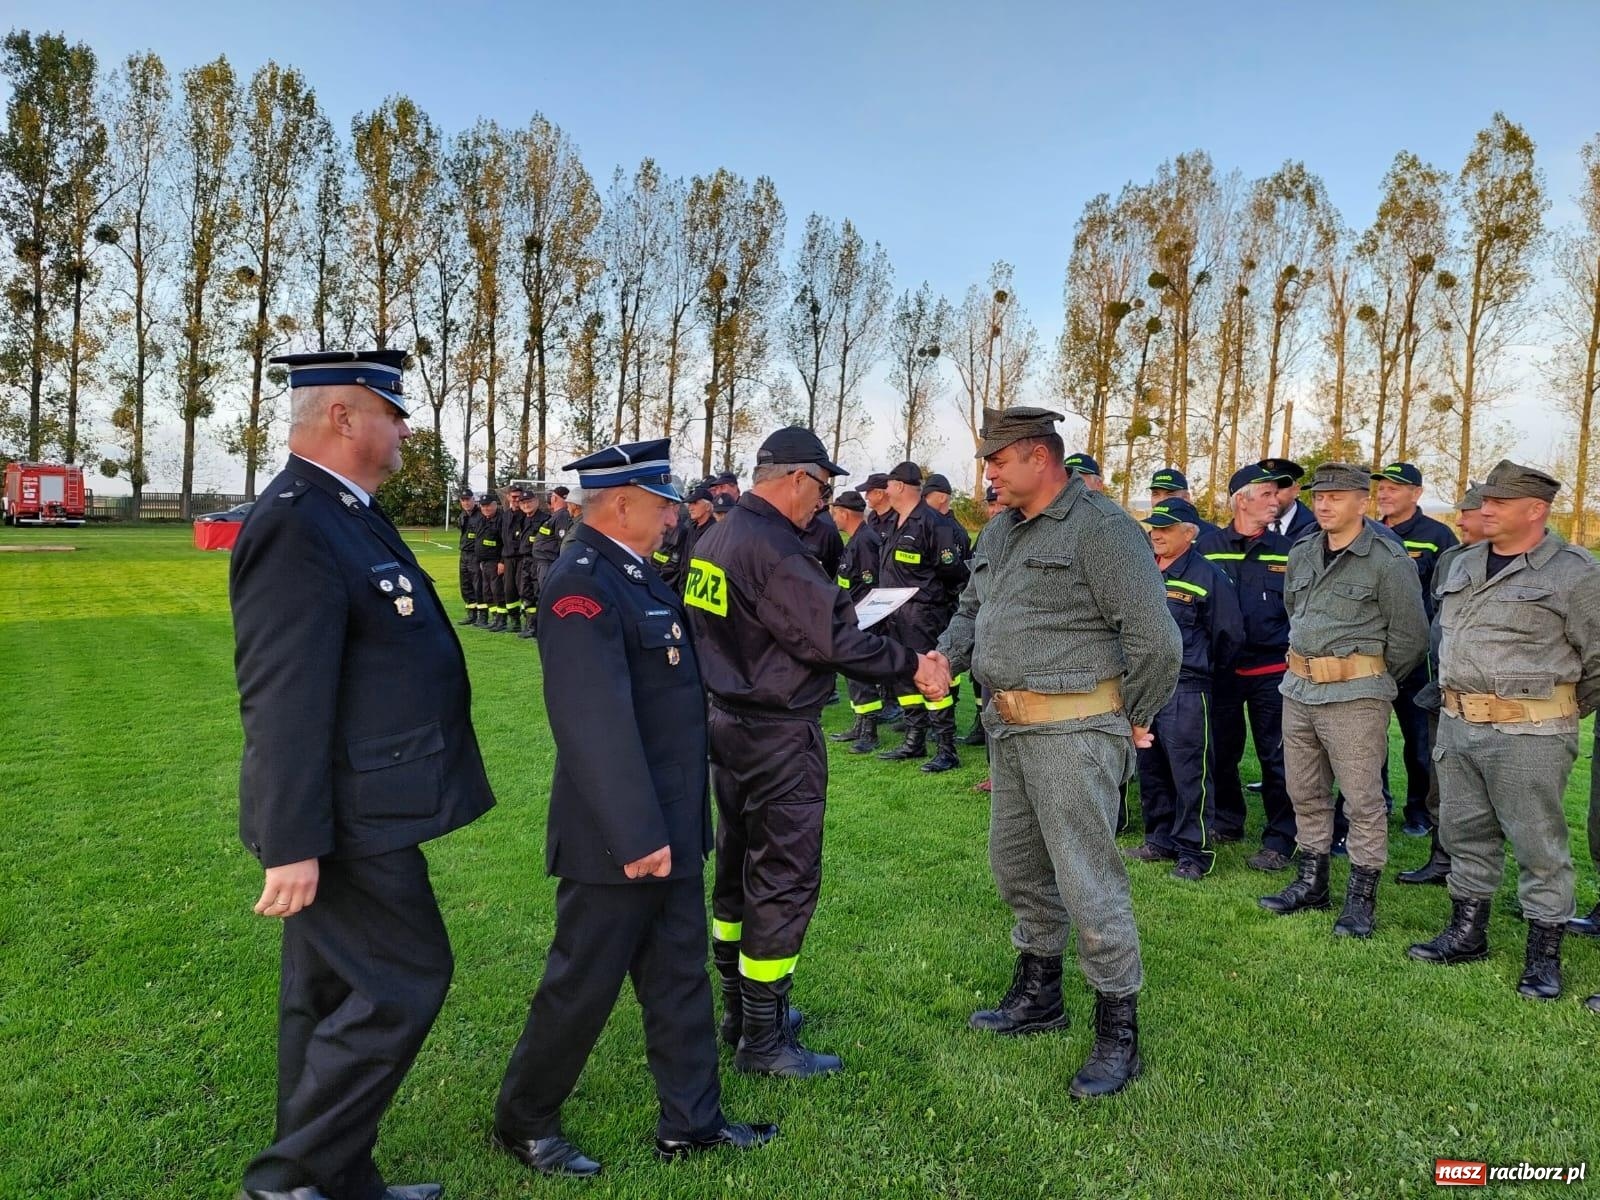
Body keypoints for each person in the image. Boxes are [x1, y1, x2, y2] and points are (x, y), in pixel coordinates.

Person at [232, 349, 496, 1200]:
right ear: (344, 416)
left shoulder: (348, 510)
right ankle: (284, 1182)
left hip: (365, 804)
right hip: (343, 818)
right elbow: (283, 698)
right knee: (404, 979)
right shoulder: (298, 522)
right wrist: (293, 842)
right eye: (391, 411)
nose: (405, 428)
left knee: (326, 993)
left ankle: (334, 1182)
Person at [493, 438, 776, 1176]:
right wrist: (638, 833)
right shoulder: (581, 584)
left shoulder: (634, 574)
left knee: (679, 977)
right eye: (662, 505)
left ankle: (693, 1123)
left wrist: (673, 829)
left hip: (670, 822)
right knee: (581, 985)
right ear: (621, 504)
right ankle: (523, 1120)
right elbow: (593, 723)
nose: (674, 518)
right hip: (618, 835)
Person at [933, 406, 1180, 1100]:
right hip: (1009, 730)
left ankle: (1117, 1030)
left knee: (1088, 879)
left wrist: (1135, 717)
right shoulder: (1003, 530)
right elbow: (974, 610)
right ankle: (1039, 995)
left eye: (998, 461)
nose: (988, 473)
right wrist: (946, 659)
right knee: (1016, 866)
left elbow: (1156, 640)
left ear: (1039, 457)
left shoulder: (1102, 530)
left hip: (1075, 732)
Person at [686, 427, 939, 1078]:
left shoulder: (716, 535)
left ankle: (741, 1012)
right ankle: (764, 1042)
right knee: (784, 878)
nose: (823, 506)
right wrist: (913, 664)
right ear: (796, 478)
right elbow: (834, 639)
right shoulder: (773, 550)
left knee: (739, 868)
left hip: (728, 723)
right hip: (777, 733)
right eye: (823, 491)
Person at [1407, 461, 1600, 1003]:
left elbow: (1598, 659)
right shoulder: (1460, 562)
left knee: (1538, 844)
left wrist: (1551, 709)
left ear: (1535, 510)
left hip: (1530, 735)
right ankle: (1467, 932)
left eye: (1496, 502)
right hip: (1457, 723)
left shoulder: (1575, 573)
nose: (1482, 510)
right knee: (1464, 833)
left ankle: (1544, 956)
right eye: (1482, 501)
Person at [1258, 464, 1428, 937]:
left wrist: (1366, 678)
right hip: (1299, 689)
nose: (1325, 504)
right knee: (1305, 792)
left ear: (1362, 502)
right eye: (1320, 496)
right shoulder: (1304, 550)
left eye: (1338, 496)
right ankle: (1312, 883)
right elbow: (1297, 610)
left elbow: (1411, 639)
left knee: (1362, 802)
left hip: (1355, 697)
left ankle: (1360, 901)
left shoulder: (1388, 561)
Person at [1126, 498, 1242, 879]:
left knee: (1190, 772)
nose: (1155, 534)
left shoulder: (1208, 576)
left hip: (1188, 689)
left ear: (1189, 534)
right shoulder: (1143, 572)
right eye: (1153, 527)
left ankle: (1195, 851)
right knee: (1152, 767)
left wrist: (1202, 673)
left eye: (1165, 528)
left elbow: (1228, 637)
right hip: (1145, 688)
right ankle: (1159, 839)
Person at [1197, 466, 1297, 870]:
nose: (1277, 501)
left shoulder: (1289, 550)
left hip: (1272, 671)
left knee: (1277, 757)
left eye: (1277, 495)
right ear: (1242, 499)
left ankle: (1280, 836)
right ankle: (1227, 820)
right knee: (1221, 752)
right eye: (1268, 494)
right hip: (1221, 672)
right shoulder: (1206, 546)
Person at [1398, 484, 1486, 885]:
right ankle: (1441, 858)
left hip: (1497, 698)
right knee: (1441, 778)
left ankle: (1519, 883)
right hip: (1443, 687)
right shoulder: (1451, 559)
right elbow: (1433, 614)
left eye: (1467, 512)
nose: (1460, 520)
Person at [1372, 461, 1459, 836]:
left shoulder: (1437, 537)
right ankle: (1378, 800)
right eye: (1381, 487)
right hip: (1372, 652)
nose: (1384, 493)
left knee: (1419, 740)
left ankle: (1419, 810)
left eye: (1394, 487)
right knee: (1368, 737)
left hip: (1417, 656)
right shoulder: (1367, 533)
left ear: (1416, 493)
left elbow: (1448, 598)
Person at [876, 461, 971, 772]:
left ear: (901, 485)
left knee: (931, 676)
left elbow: (952, 571)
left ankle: (946, 747)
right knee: (903, 674)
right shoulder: (892, 521)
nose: (884, 490)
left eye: (888, 484)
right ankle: (914, 739)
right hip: (893, 614)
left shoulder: (933, 522)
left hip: (923, 615)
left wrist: (935, 602)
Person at [827, 489, 888, 753]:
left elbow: (869, 584)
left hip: (863, 618)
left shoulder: (864, 541)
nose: (833, 518)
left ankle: (870, 733)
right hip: (851, 616)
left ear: (844, 513)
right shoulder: (855, 540)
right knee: (852, 674)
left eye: (835, 513)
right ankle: (859, 725)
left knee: (861, 673)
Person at [524, 486, 572, 635]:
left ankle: (550, 629)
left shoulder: (562, 516)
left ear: (555, 498)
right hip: (541, 562)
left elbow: (562, 541)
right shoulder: (555, 515)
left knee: (547, 595)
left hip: (548, 563)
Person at [1260, 458, 1317, 543]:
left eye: (1280, 486)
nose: (1272, 495)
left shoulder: (1315, 527)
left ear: (1296, 490)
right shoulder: (1248, 526)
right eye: (1266, 488)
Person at [1149, 467, 1218, 535]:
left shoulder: (1212, 536)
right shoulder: (1147, 539)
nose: (1161, 500)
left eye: (1169, 494)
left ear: (1186, 497)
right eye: (1156, 494)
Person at [474, 493, 508, 631]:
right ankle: (495, 617)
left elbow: (506, 542)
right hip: (484, 562)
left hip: (495, 561)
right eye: (483, 506)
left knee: (497, 591)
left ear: (495, 505)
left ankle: (502, 621)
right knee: (487, 592)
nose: (485, 508)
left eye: (488, 505)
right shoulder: (482, 520)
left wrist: (502, 561)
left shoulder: (501, 520)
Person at [501, 487, 530, 635]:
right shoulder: (504, 516)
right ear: (508, 497)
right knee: (509, 590)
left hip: (522, 558)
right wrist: (501, 561)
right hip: (507, 559)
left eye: (519, 497)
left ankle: (528, 622)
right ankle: (514, 621)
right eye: (513, 497)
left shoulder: (526, 516)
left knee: (523, 589)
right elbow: (501, 539)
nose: (516, 500)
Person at [454, 487, 481, 626]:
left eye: (468, 500)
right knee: (465, 585)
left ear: (473, 500)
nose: (466, 503)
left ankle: (482, 616)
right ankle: (471, 614)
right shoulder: (462, 516)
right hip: (464, 554)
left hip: (476, 555)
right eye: (463, 500)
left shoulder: (480, 515)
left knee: (478, 585)